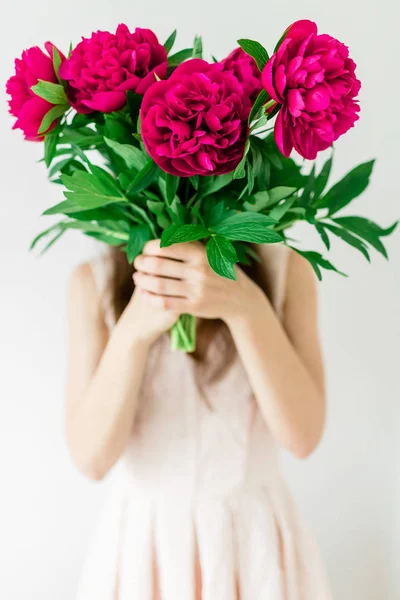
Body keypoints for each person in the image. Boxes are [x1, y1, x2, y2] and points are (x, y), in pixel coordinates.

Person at [66, 239, 332, 599]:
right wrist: (133, 330)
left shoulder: (288, 270)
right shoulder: (93, 282)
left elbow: (304, 436)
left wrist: (246, 306)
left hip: (253, 547)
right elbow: (91, 459)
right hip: (146, 551)